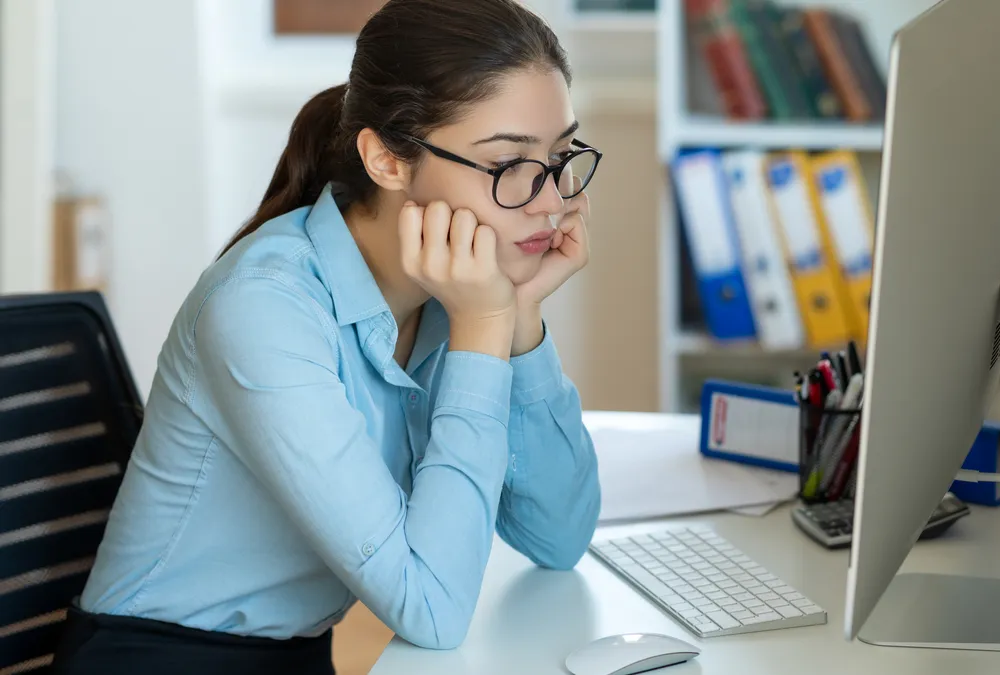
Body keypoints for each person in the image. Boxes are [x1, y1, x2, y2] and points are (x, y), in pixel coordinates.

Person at [50, 1, 602, 672]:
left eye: (561, 155)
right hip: (156, 662)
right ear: (388, 161)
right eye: (509, 165)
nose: (551, 200)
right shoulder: (264, 307)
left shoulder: (454, 294)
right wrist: (483, 329)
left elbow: (559, 534)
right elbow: (432, 607)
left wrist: (519, 321)